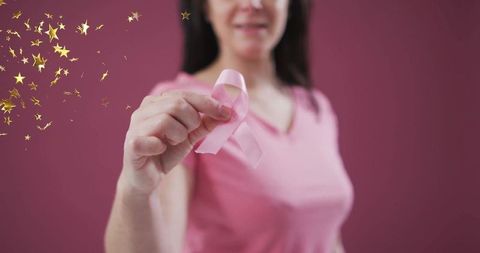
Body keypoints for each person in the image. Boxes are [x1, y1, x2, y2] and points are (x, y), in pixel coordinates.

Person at [105, 0, 354, 252]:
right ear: (205, 8)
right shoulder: (181, 110)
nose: (252, 4)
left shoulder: (316, 108)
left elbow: (328, 239)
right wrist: (136, 191)